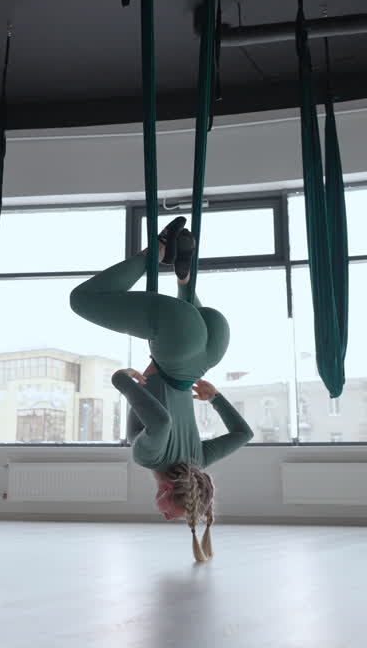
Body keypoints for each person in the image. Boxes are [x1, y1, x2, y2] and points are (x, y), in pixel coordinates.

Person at [69, 217, 253, 561]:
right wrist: (121, 381)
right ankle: (157, 252)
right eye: (173, 512)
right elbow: (161, 423)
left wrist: (216, 398)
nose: (166, 515)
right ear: (168, 490)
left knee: (185, 316)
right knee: (82, 299)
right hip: (177, 342)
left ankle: (184, 276)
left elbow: (243, 433)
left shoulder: (199, 459)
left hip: (210, 346)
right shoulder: (149, 458)